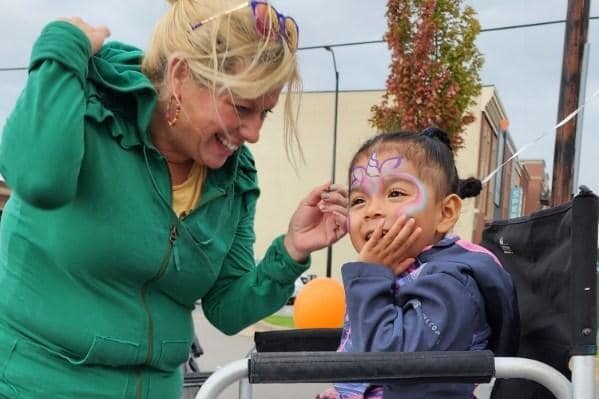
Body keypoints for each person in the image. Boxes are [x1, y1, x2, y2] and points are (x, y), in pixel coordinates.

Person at [0, 1, 348, 398]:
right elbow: (37, 178)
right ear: (180, 75)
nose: (253, 133)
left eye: (265, 113)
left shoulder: (235, 178)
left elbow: (226, 309)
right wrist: (61, 46)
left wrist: (289, 251)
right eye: (241, 107)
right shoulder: (90, 110)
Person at [317, 128, 519, 399]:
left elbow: (392, 365)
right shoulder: (389, 275)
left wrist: (368, 278)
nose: (372, 210)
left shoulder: (451, 284)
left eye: (396, 193)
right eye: (358, 200)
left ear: (445, 213)